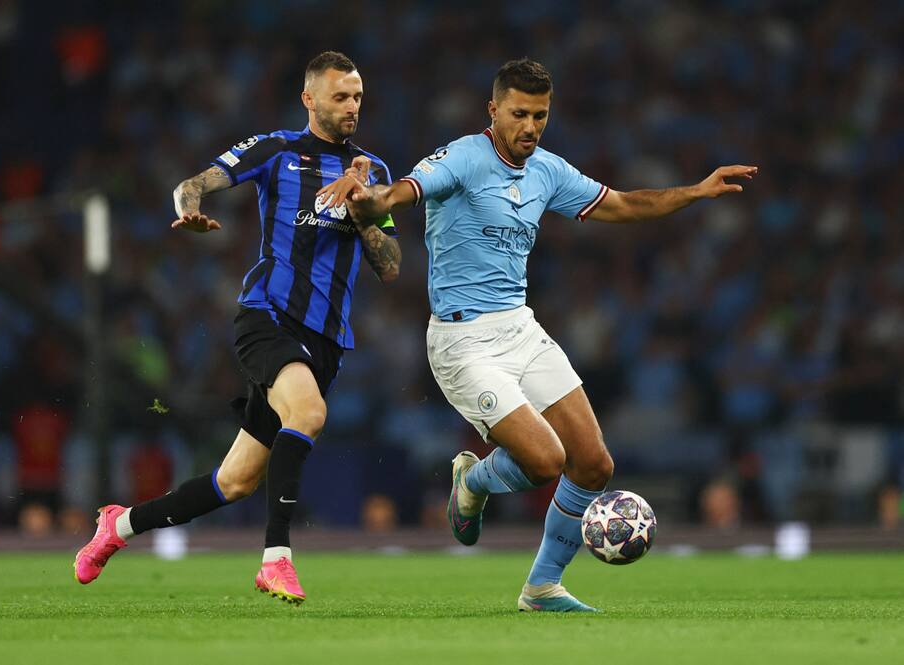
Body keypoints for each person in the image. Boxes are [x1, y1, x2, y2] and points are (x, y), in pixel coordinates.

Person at [318, 58, 756, 612]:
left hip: (520, 329)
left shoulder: (547, 169)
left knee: (594, 464)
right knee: (546, 461)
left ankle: (542, 587)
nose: (530, 127)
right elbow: (399, 193)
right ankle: (473, 483)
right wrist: (369, 198)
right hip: (463, 342)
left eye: (541, 116)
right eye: (520, 114)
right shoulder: (461, 158)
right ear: (493, 110)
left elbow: (620, 204)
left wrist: (696, 191)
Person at [74, 51, 401, 605]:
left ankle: (119, 525)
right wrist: (191, 210)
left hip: (326, 340)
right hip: (267, 316)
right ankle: (276, 560)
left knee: (236, 481)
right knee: (310, 414)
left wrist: (363, 213)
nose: (352, 107)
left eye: (358, 97)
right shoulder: (276, 150)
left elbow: (390, 264)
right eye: (340, 96)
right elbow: (192, 184)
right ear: (309, 99)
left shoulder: (373, 172)